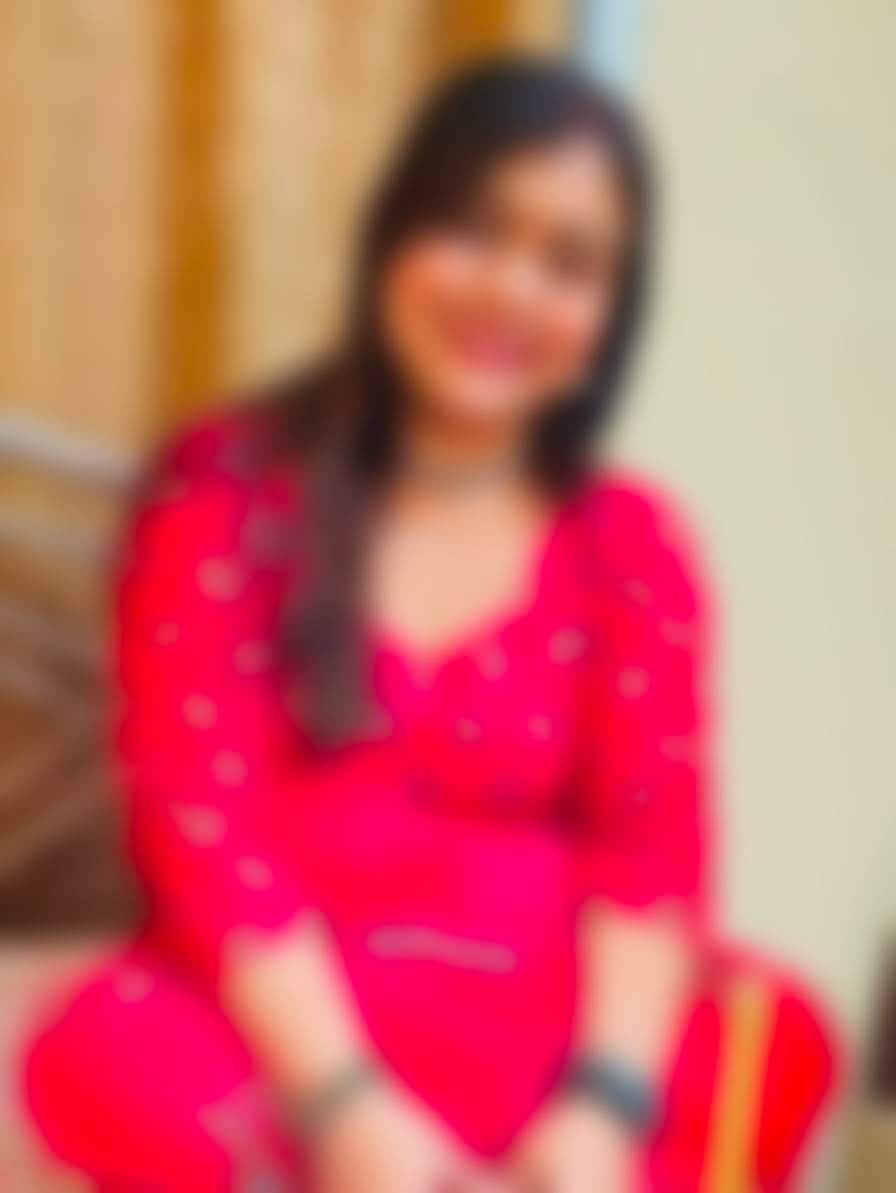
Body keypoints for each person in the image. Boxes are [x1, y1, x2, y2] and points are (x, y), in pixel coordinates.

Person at [24, 57, 834, 1192]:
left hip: (546, 1027)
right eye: (475, 228)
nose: (510, 289)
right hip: (296, 1020)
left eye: (567, 262)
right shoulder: (226, 493)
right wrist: (346, 1105)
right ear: (393, 235)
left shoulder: (632, 543)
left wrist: (605, 1104)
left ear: (608, 315)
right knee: (104, 1054)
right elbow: (205, 830)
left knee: (773, 1034)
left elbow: (650, 851)